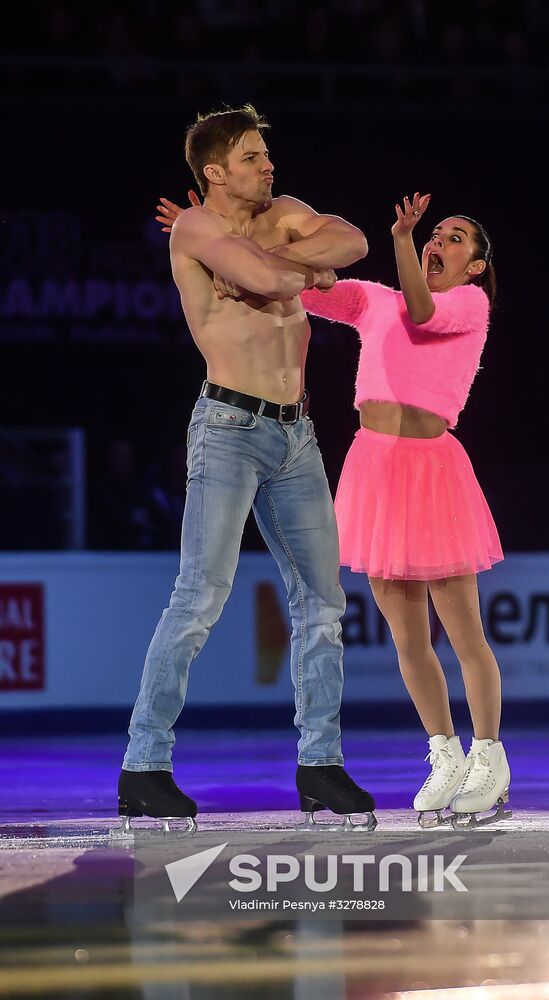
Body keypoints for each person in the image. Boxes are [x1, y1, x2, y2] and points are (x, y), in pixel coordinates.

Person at [117, 105, 376, 834]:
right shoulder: (195, 226)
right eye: (253, 157)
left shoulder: (283, 211)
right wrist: (300, 267)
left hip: (298, 435)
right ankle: (144, 767)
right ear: (214, 171)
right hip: (228, 427)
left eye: (267, 154)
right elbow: (268, 276)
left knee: (322, 605)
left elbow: (351, 241)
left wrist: (291, 267)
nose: (269, 167)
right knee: (200, 596)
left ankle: (320, 764)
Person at [299, 193, 510, 828]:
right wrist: (244, 239)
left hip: (432, 469)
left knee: (464, 632)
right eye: (434, 234)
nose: (437, 241)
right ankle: (443, 751)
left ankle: (489, 755)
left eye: (454, 238)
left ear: (475, 264)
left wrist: (400, 238)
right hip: (374, 467)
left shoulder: (469, 304)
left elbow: (423, 311)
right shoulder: (374, 301)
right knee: (407, 637)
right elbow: (306, 290)